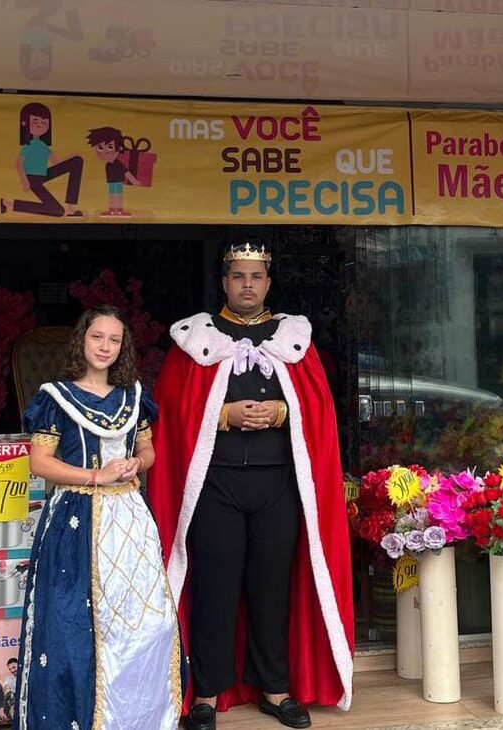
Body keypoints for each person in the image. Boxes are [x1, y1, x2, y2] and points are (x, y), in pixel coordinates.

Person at [149, 242, 354, 730]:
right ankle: (207, 692)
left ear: (267, 282)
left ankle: (275, 688)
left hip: (277, 484)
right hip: (215, 487)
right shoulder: (194, 341)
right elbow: (170, 415)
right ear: (224, 282)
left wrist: (284, 411)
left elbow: (319, 411)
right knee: (214, 589)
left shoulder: (293, 341)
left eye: (256, 276)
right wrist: (221, 415)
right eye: (238, 276)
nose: (247, 284)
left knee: (272, 589)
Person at [13, 305, 183, 730]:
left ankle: (136, 718)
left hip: (128, 519)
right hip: (74, 518)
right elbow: (39, 463)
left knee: (146, 621)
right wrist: (95, 475)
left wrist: (134, 466)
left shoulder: (133, 397)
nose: (105, 346)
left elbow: (149, 451)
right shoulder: (55, 397)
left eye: (114, 339)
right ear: (81, 341)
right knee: (71, 627)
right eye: (97, 337)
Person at [0, 101, 84, 218]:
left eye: (44, 122)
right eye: (36, 121)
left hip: (43, 174)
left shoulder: (43, 146)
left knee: (77, 161)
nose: (40, 125)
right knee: (57, 211)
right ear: (25, 123)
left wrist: (73, 157)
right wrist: (25, 182)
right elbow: (18, 163)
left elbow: (56, 163)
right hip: (32, 179)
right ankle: (8, 204)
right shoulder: (28, 145)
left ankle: (71, 207)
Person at [86, 126, 140, 217]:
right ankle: (113, 210)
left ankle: (118, 210)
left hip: (117, 182)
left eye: (110, 147)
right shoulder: (108, 164)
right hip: (112, 182)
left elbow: (126, 172)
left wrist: (134, 181)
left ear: (119, 148)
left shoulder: (117, 164)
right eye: (100, 147)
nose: (105, 152)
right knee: (112, 195)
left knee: (117, 195)